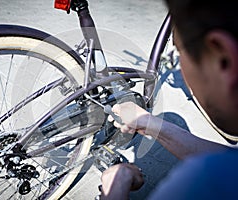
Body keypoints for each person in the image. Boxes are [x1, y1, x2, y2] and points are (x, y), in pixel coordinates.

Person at [100, 0, 238, 199]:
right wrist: (151, 123)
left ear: (224, 60)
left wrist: (116, 184)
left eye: (178, 54)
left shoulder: (202, 181)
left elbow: (219, 169)